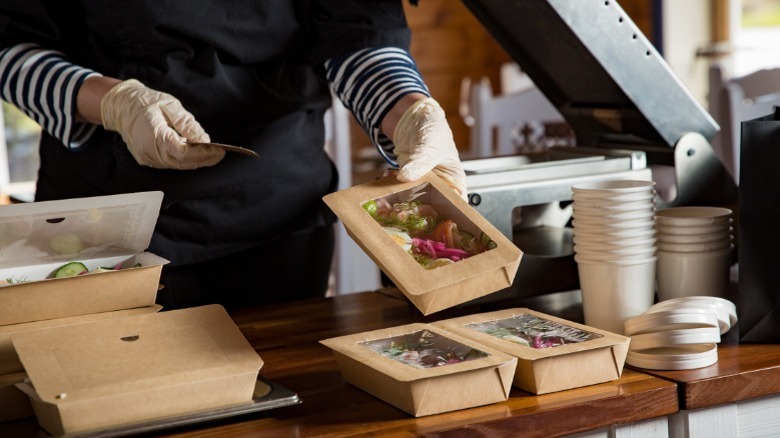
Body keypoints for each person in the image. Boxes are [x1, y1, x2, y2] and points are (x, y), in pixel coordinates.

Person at [0, 1, 466, 310]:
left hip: (276, 219)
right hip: (101, 218)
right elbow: (10, 48)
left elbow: (358, 36)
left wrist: (407, 110)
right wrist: (110, 101)